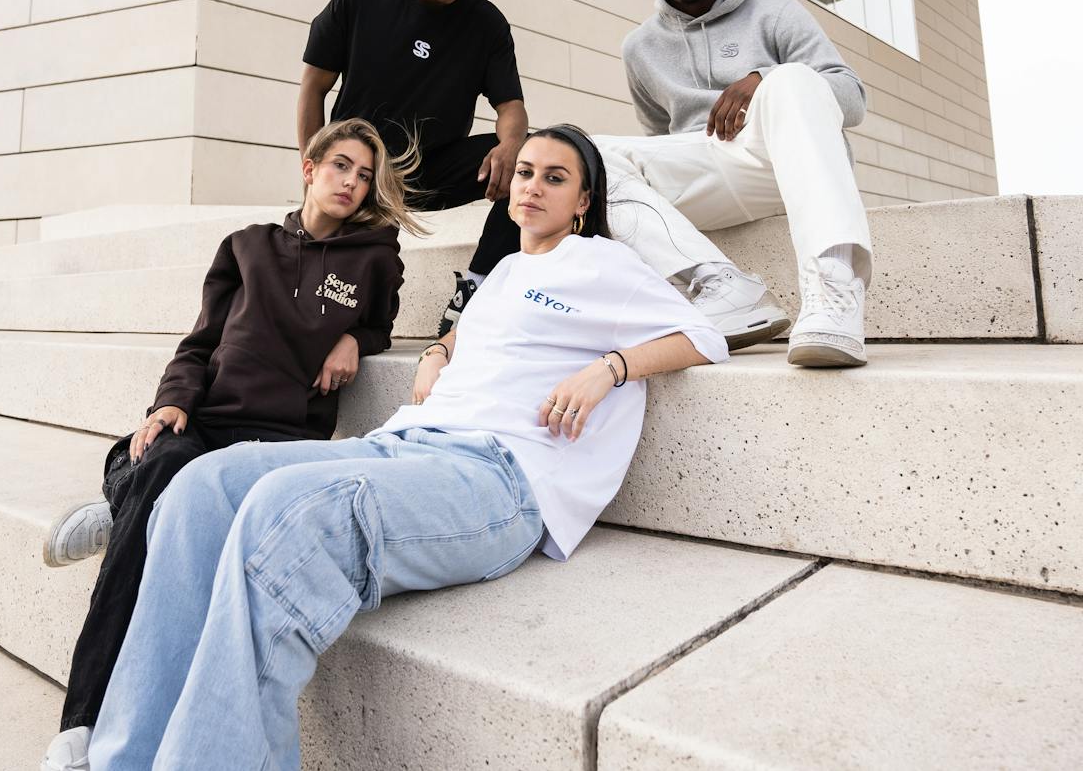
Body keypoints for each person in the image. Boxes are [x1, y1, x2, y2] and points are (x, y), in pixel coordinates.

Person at [85, 126, 727, 770]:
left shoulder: (601, 263)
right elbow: (476, 338)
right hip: (405, 443)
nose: (532, 187)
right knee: (200, 488)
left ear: (584, 202)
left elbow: (708, 332)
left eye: (555, 178)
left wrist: (609, 368)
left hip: (498, 477)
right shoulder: (507, 270)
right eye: (525, 171)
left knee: (288, 514)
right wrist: (437, 350)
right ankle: (122, 757)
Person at [38, 119, 418, 771]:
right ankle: (81, 724)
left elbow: (381, 322)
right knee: (161, 465)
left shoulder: (375, 256)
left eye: (364, 174)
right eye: (341, 166)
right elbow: (198, 344)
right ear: (310, 166)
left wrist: (359, 338)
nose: (352, 182)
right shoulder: (246, 247)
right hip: (204, 420)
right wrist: (172, 401)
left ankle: (123, 504)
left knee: (158, 493)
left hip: (275, 441)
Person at [596, 0, 874, 368]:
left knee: (792, 77)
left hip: (780, 160)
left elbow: (851, 99)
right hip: (704, 170)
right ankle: (721, 283)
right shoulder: (639, 47)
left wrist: (763, 79)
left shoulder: (778, 16)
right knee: (582, 153)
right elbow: (658, 138)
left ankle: (833, 289)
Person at [298, 0, 530, 337]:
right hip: (361, 168)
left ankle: (476, 290)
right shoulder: (361, 1)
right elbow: (313, 88)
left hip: (429, 170)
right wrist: (316, 168)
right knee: (360, 277)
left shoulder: (487, 26)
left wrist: (511, 145)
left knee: (531, 158)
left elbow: (510, 106)